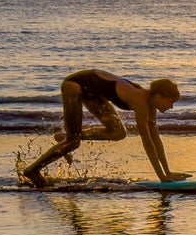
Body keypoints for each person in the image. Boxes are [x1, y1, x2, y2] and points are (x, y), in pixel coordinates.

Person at [20, 70, 185, 186]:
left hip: (93, 92)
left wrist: (168, 173)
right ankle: (32, 171)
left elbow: (155, 138)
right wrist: (161, 177)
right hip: (75, 85)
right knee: (73, 143)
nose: (171, 107)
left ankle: (66, 137)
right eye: (171, 102)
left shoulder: (150, 104)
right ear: (158, 96)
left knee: (118, 133)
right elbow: (147, 141)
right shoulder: (140, 101)